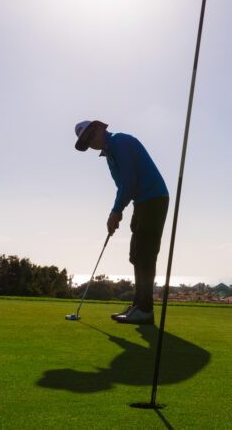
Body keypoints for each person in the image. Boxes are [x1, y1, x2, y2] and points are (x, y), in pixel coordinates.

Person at [74, 120, 169, 325]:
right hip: (142, 201)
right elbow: (123, 186)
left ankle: (145, 310)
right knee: (136, 255)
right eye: (86, 142)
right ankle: (138, 305)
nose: (91, 143)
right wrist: (118, 210)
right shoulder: (110, 153)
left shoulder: (119, 141)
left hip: (153, 198)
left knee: (145, 254)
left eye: (91, 136)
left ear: (100, 127)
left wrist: (116, 211)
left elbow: (129, 179)